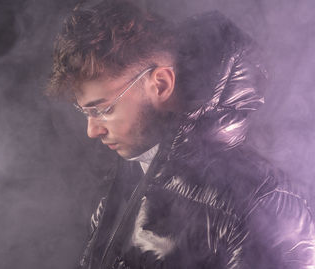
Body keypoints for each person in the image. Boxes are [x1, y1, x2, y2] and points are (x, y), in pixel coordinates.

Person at [47, 1, 315, 268]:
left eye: (104, 109)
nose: (93, 130)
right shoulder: (122, 183)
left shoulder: (263, 206)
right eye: (86, 113)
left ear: (160, 84)